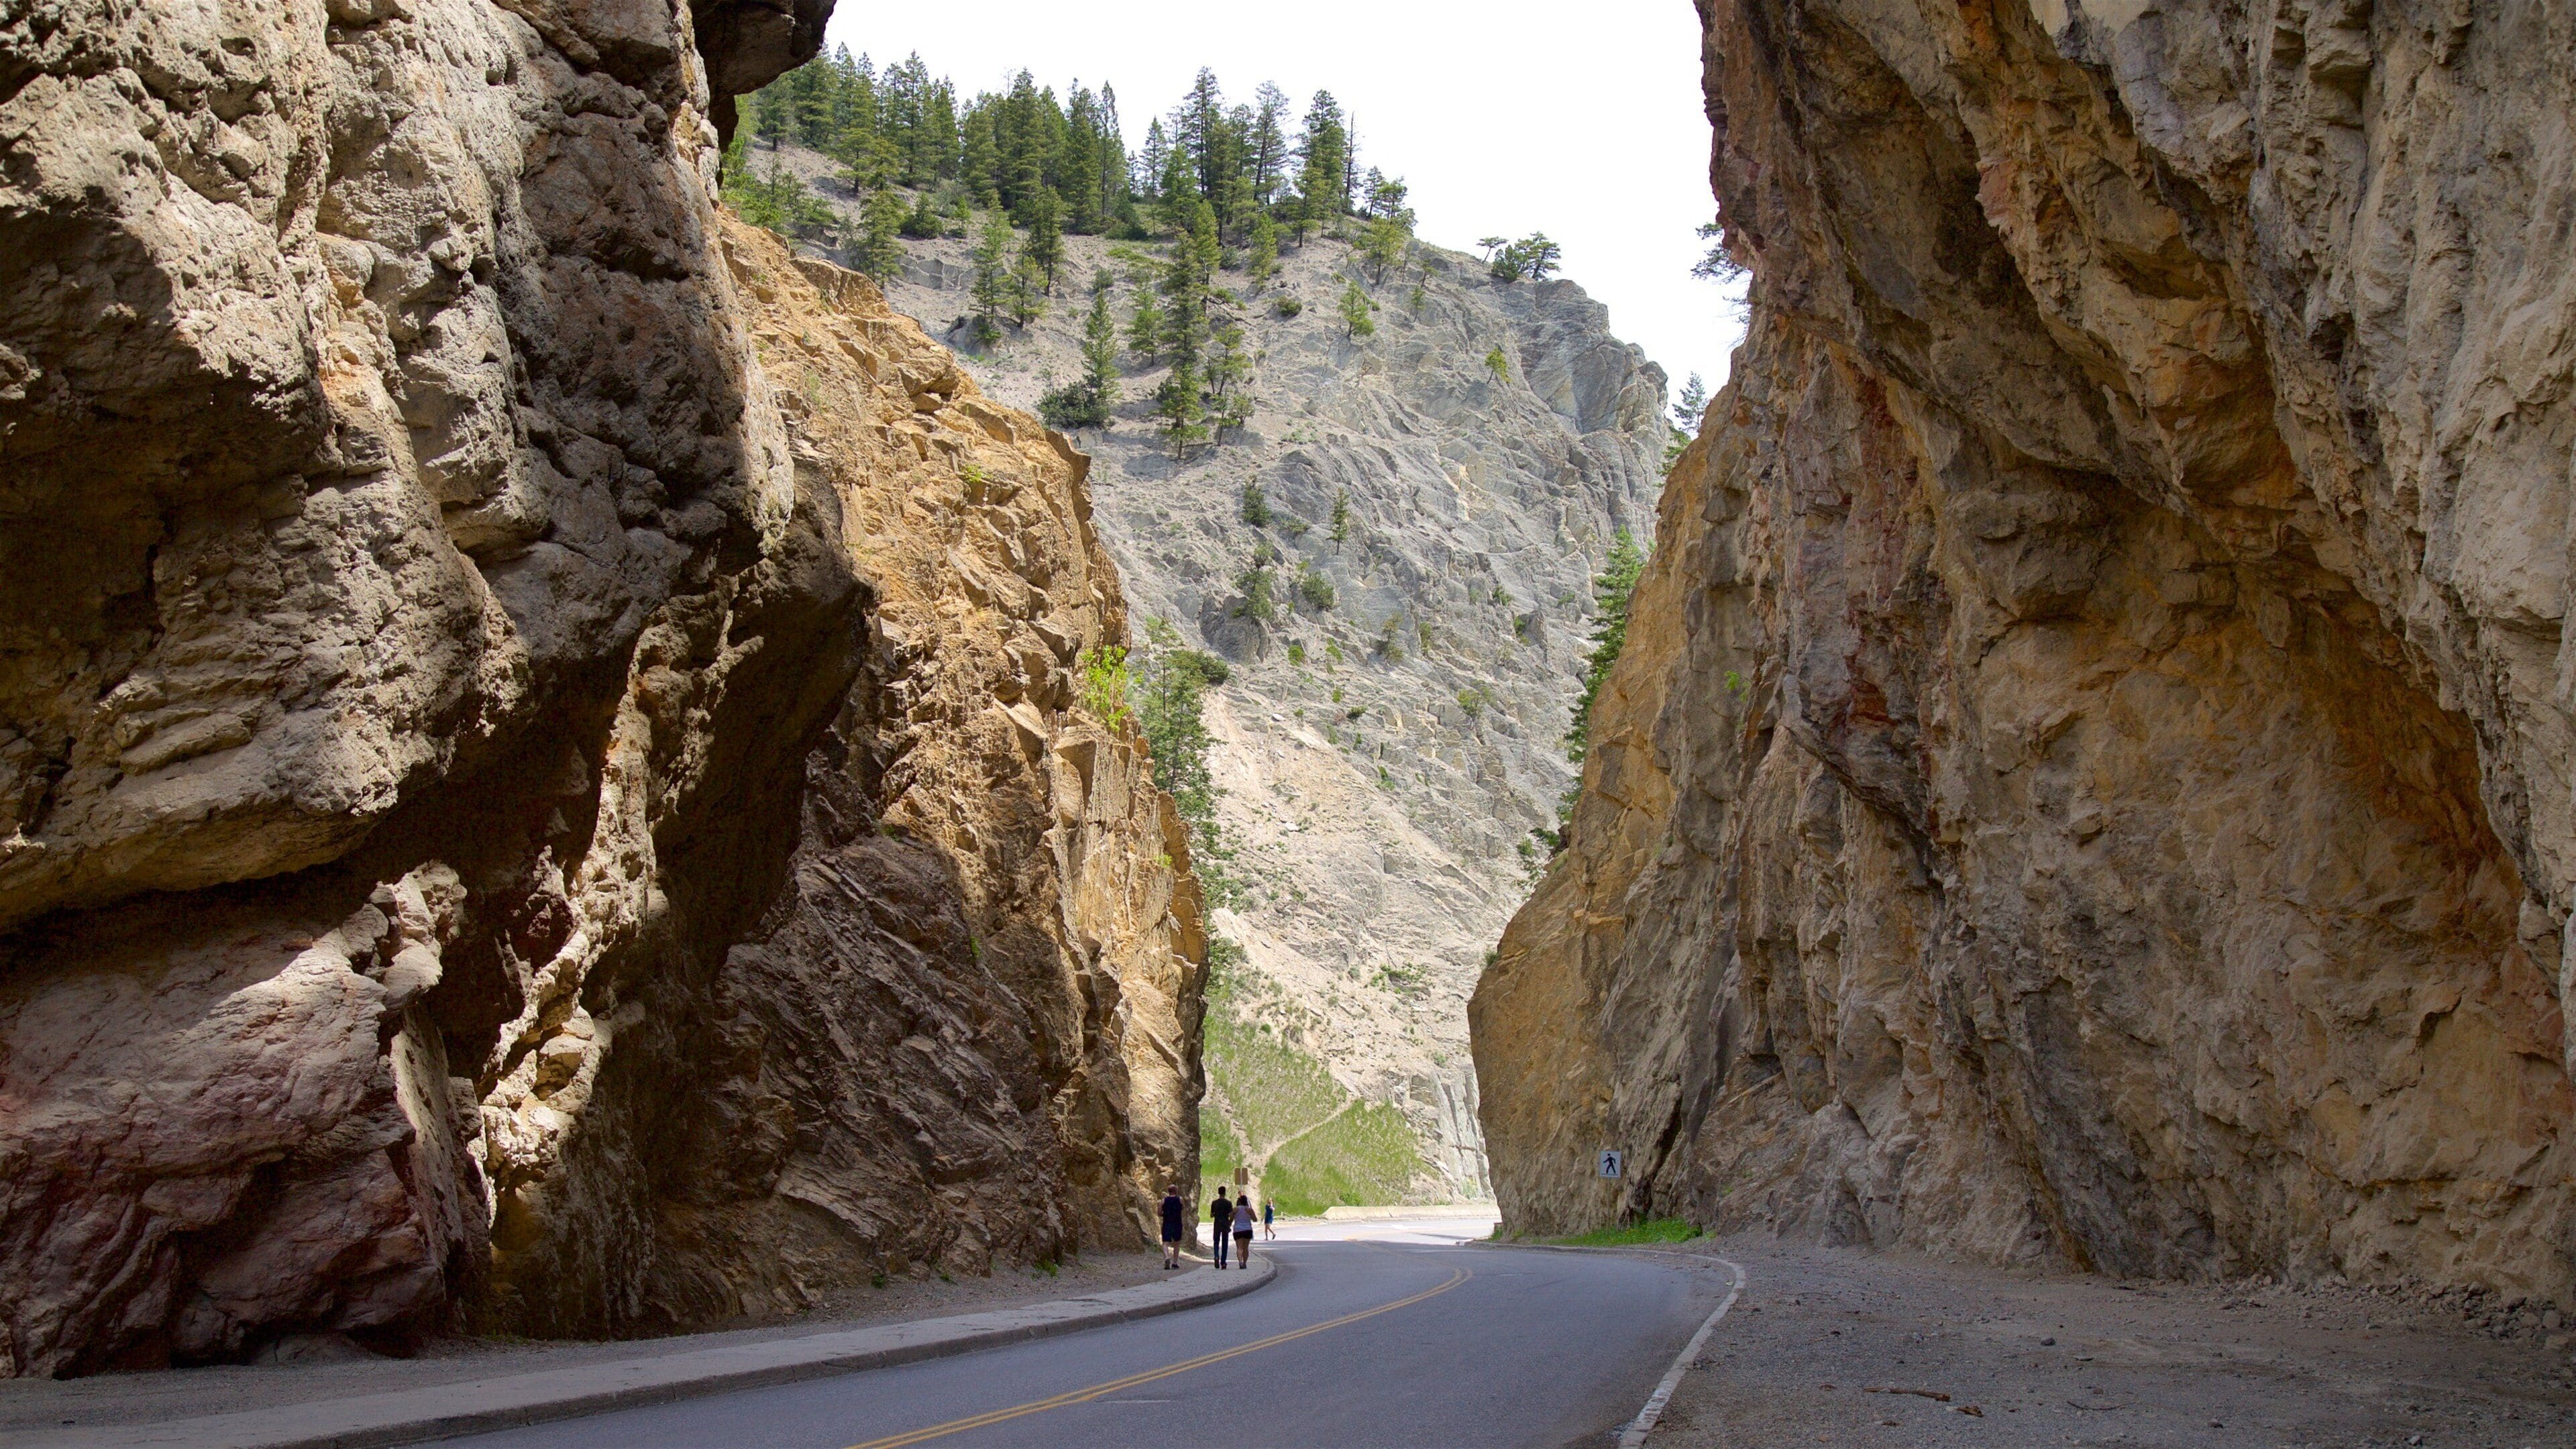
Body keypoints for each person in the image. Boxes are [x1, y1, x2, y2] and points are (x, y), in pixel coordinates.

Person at [1159, 1185, 1187, 1269]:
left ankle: (1167, 1257)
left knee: (1165, 1243)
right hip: (1177, 1223)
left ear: (1169, 1191)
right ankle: (1175, 1262)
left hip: (1167, 1223)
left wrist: (1166, 1214)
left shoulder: (1163, 1201)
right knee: (1177, 1244)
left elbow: (1159, 1213)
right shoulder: (1180, 1199)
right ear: (1176, 1190)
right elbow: (1183, 1209)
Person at [1210, 1187, 1234, 1268]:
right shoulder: (1228, 1203)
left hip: (1217, 1224)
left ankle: (1216, 1256)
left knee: (1216, 1242)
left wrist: (1215, 1214)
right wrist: (1230, 1222)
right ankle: (1223, 1262)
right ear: (1225, 1193)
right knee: (1225, 1243)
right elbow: (1231, 1214)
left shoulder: (1214, 1203)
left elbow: (1211, 1215)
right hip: (1225, 1224)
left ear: (1218, 1192)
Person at [1232, 1193, 1256, 1269]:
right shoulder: (1249, 1210)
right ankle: (1245, 1263)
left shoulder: (1235, 1209)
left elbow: (1231, 1219)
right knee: (1245, 1248)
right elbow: (1255, 1220)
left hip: (1238, 1229)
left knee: (1239, 1247)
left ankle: (1240, 1262)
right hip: (1247, 1229)